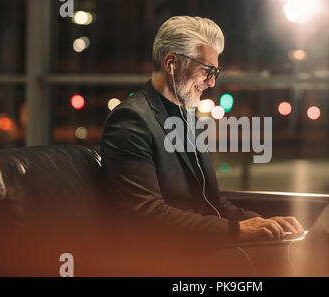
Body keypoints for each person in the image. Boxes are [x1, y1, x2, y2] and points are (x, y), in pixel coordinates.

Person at [100, 16, 304, 274]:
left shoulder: (186, 117)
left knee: (295, 253)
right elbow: (147, 215)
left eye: (215, 72)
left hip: (196, 250)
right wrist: (236, 230)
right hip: (161, 260)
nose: (212, 82)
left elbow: (211, 202)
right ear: (172, 63)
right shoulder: (130, 121)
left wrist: (258, 222)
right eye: (207, 70)